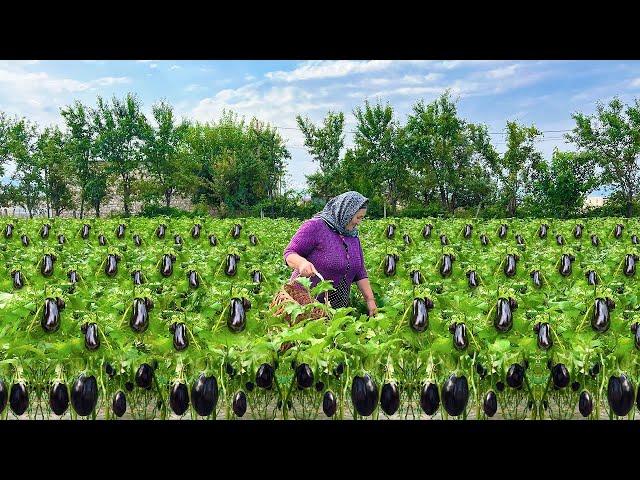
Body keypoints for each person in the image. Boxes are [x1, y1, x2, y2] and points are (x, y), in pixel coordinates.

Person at [283, 191, 378, 316]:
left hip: (336, 310)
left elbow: (360, 271)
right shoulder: (315, 226)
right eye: (358, 217)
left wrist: (370, 300)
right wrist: (301, 263)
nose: (359, 222)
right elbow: (289, 253)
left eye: (362, 218)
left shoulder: (352, 236)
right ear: (346, 213)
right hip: (304, 306)